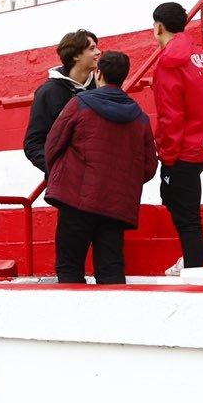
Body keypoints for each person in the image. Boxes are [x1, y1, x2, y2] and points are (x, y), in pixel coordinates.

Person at [45, 51, 157, 285]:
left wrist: (63, 172)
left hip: (75, 199)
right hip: (115, 206)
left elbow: (53, 144)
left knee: (69, 268)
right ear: (124, 77)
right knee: (111, 271)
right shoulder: (141, 118)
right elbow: (148, 167)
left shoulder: (79, 104)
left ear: (98, 73)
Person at [148, 1, 203, 271]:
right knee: (181, 203)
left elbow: (170, 118)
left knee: (187, 217)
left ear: (158, 27)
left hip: (184, 151)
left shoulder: (169, 64)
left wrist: (166, 159)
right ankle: (190, 263)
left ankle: (193, 270)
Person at [23, 30, 100, 172]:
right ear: (76, 56)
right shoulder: (48, 92)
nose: (98, 52)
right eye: (92, 48)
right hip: (66, 186)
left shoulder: (100, 86)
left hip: (97, 179)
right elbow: (33, 144)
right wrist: (60, 171)